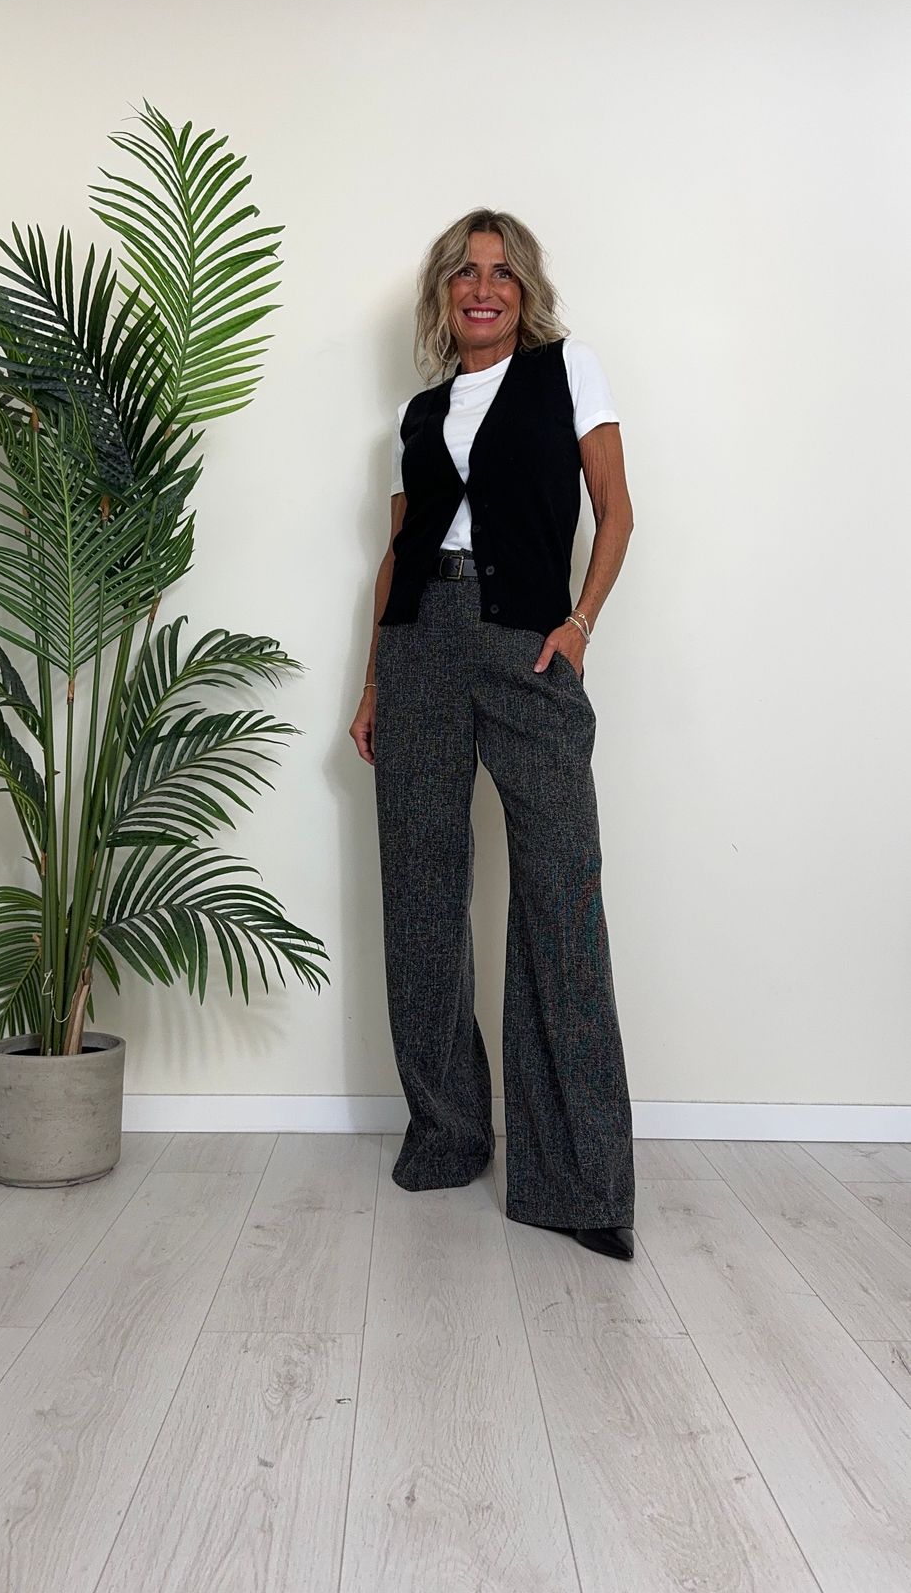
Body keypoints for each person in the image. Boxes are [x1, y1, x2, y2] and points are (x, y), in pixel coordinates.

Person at [349, 208, 635, 1263]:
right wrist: (373, 681)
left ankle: (578, 1181)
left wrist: (578, 624)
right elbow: (395, 553)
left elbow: (614, 510)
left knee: (560, 895)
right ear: (443, 294)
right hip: (418, 646)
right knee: (421, 894)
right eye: (465, 273)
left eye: (501, 273)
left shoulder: (568, 372)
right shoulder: (417, 412)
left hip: (528, 647)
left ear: (524, 292)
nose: (483, 288)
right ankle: (447, 1133)